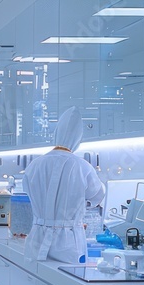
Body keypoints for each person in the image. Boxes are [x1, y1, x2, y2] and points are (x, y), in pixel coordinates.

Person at [23, 106, 105, 263]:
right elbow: (96, 196)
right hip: (68, 244)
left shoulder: (34, 165)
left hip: (37, 241)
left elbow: (28, 191)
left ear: (56, 133)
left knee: (34, 277)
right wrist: (77, 207)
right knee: (65, 277)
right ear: (78, 139)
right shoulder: (82, 167)